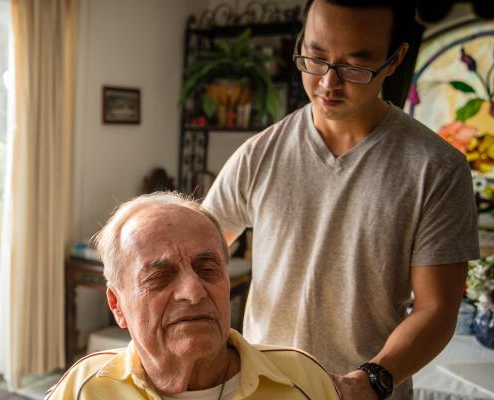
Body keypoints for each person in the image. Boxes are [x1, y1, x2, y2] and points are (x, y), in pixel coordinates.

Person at [202, 1, 480, 399]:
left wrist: (371, 380)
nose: (328, 83)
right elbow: (199, 251)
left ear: (395, 59)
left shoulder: (435, 168)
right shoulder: (260, 153)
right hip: (262, 387)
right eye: (315, 59)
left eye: (353, 66)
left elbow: (436, 310)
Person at [45, 192, 341, 400]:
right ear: (116, 305)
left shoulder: (303, 380)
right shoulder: (86, 389)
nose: (193, 292)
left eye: (208, 268)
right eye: (159, 277)